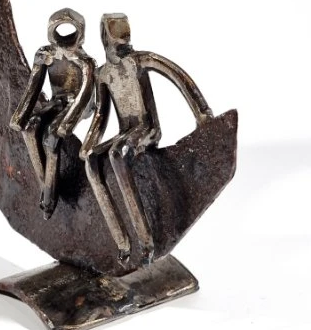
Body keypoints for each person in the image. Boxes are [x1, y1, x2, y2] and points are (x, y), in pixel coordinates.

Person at [80, 13, 213, 265]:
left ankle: (145, 242)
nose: (121, 45)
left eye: (124, 39)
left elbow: (175, 74)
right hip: (125, 132)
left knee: (117, 154)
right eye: (115, 39)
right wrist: (89, 143)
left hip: (146, 130)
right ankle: (122, 242)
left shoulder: (138, 61)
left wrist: (201, 112)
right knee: (92, 161)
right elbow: (101, 115)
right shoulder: (103, 74)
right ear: (105, 40)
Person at [10, 7, 95, 219]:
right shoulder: (45, 55)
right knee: (30, 128)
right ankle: (45, 185)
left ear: (80, 34)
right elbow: (34, 86)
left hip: (80, 106)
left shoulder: (85, 62)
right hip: (58, 101)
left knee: (52, 138)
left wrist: (66, 125)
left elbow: (85, 95)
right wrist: (20, 116)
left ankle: (48, 198)